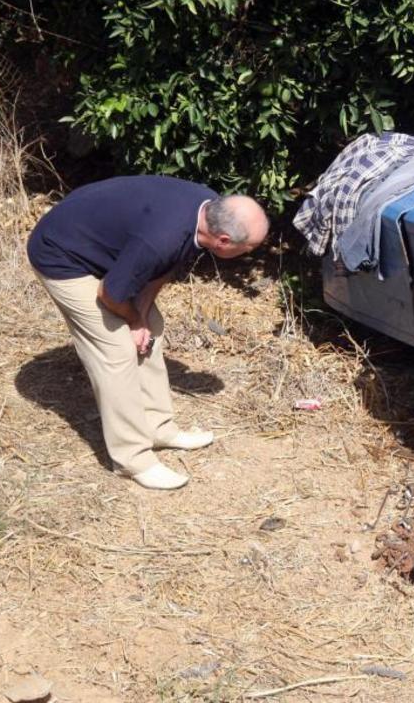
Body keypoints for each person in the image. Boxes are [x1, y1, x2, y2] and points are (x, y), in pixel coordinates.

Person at [27, 176, 269, 490]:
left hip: (102, 250)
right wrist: (131, 321)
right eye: (247, 248)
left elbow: (164, 267)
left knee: (152, 325)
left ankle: (158, 428)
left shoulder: (206, 208)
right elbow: (111, 295)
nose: (249, 254)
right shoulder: (163, 236)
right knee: (114, 348)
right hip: (60, 254)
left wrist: (141, 313)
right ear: (223, 241)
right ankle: (133, 460)